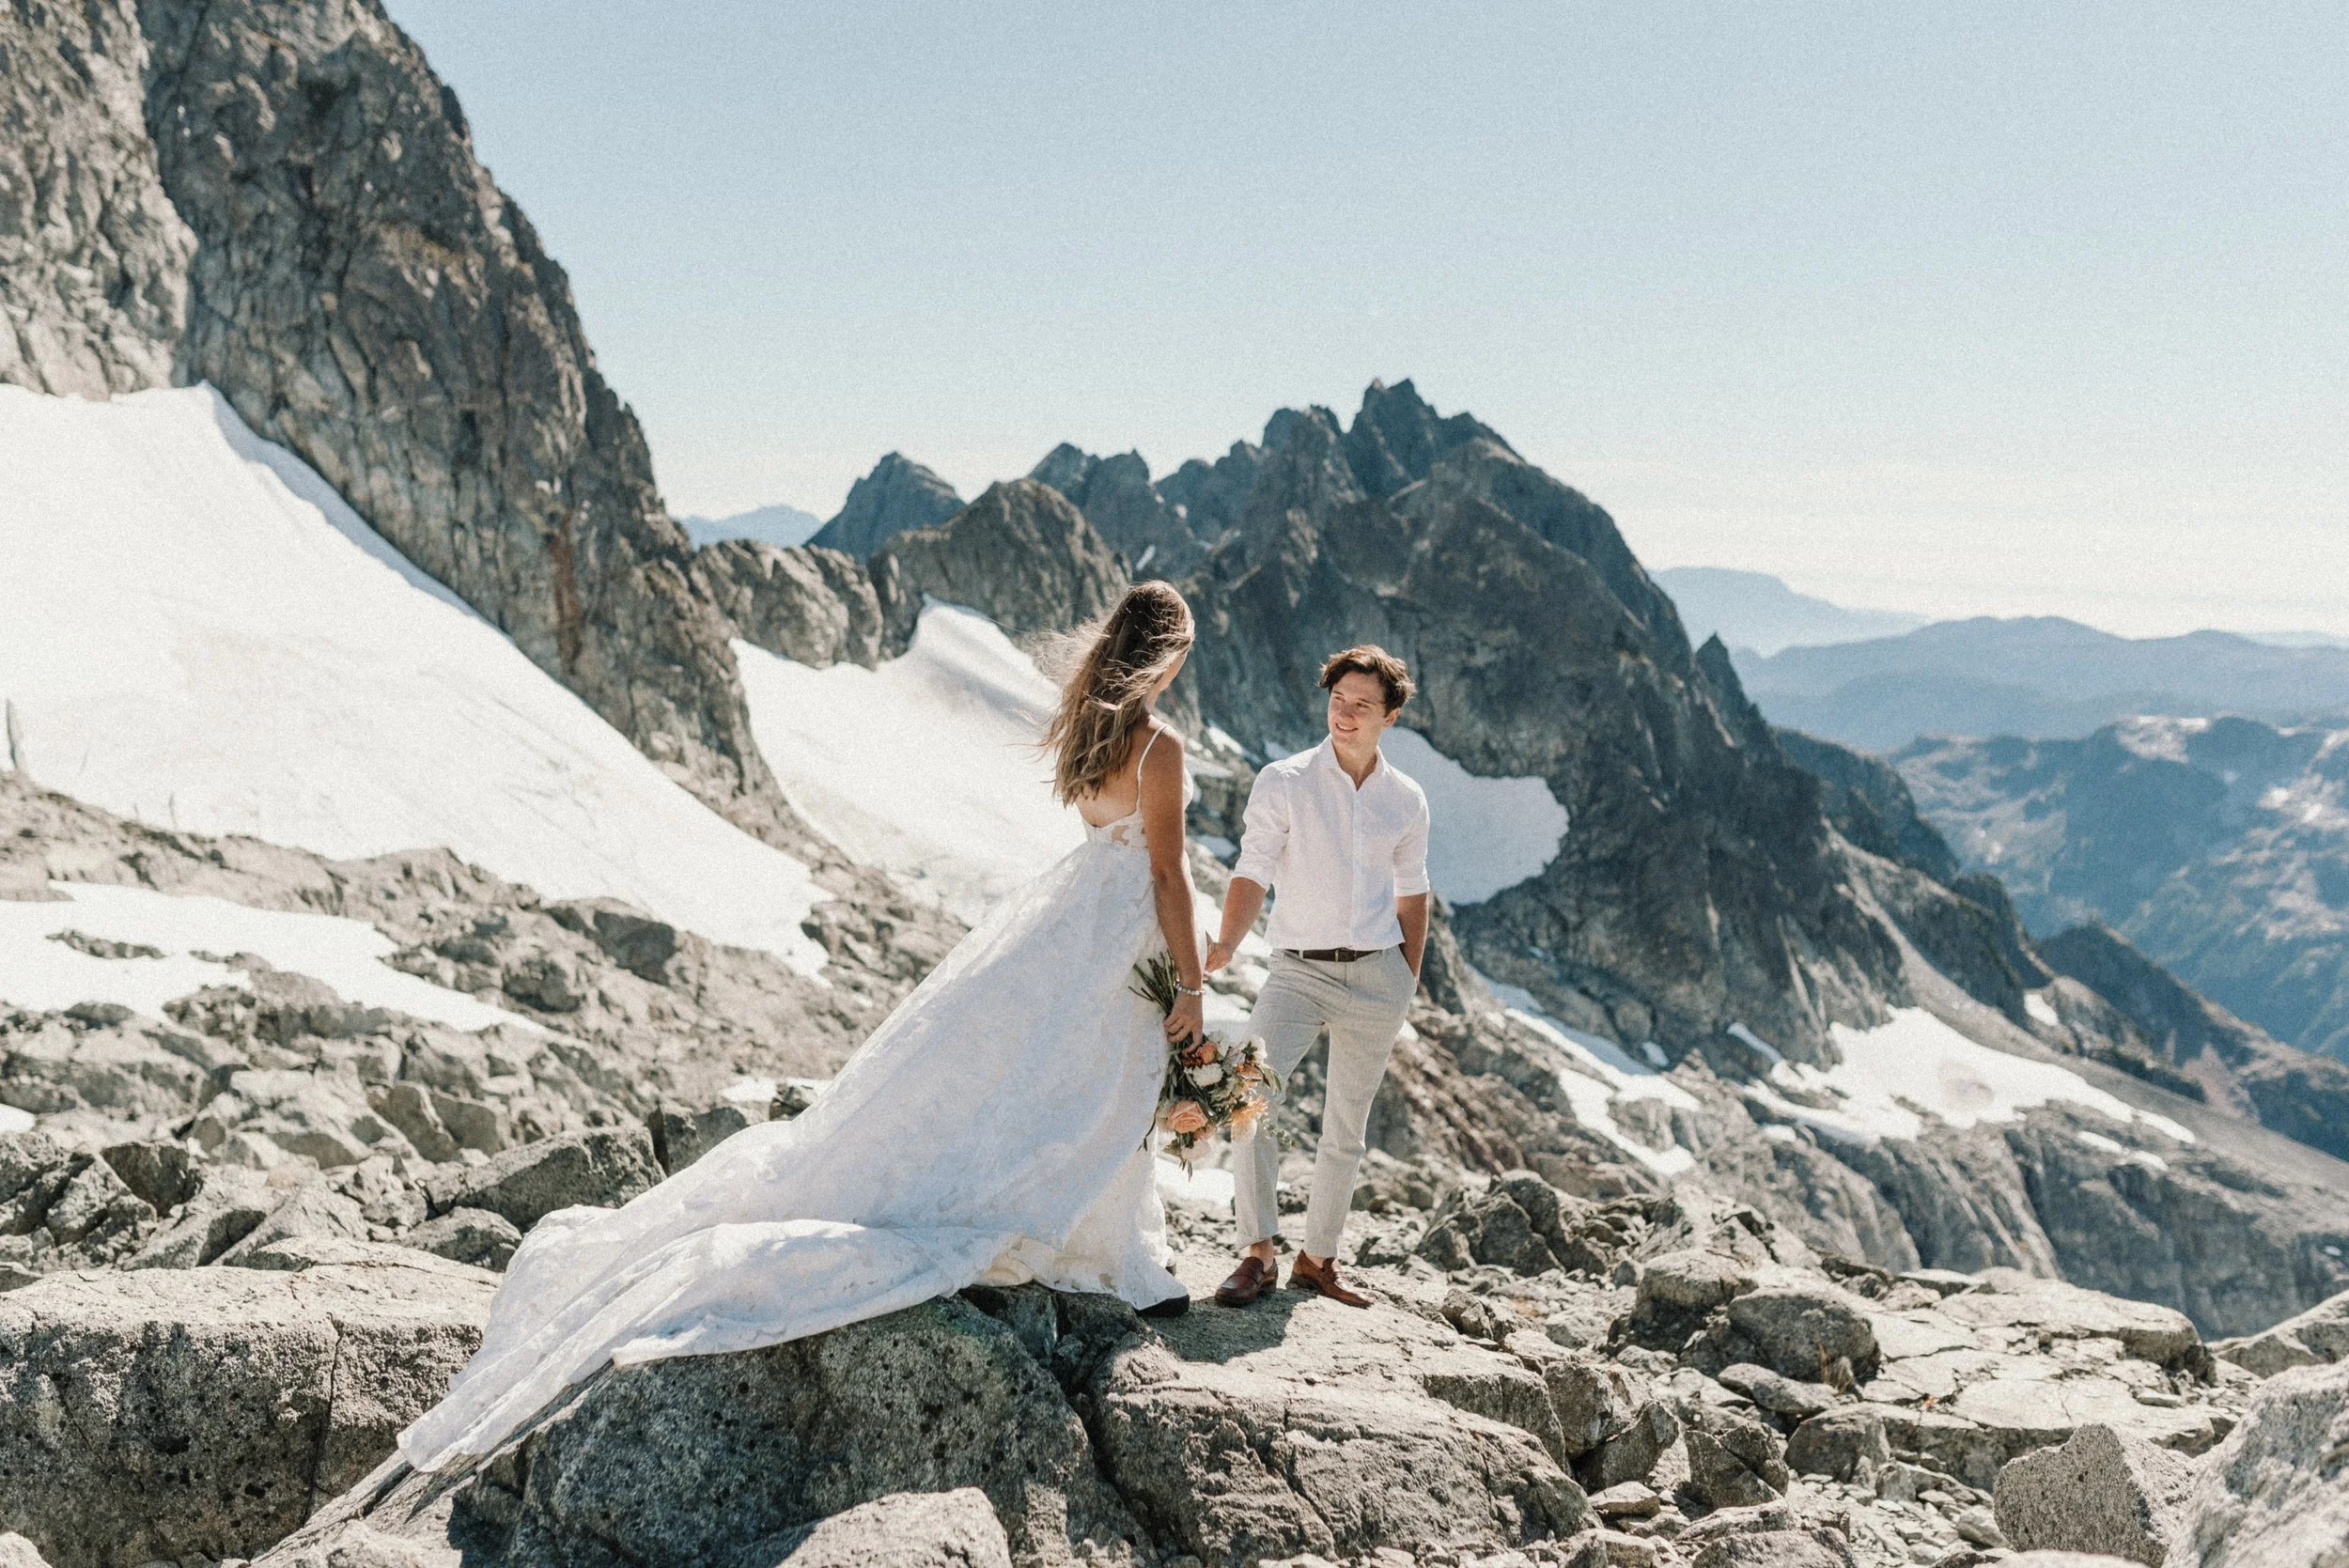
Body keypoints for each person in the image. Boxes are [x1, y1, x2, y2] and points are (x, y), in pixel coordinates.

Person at [397, 582, 1203, 1472]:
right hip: (1121, 927)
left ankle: (1113, 1246)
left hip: (1073, 925)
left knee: (1079, 1080)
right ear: (1165, 653)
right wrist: (1194, 984)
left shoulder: (1088, 731)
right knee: (1107, 1079)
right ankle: (1115, 1254)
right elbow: (1168, 874)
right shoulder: (1155, 745)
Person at [1205, 645, 1429, 1310]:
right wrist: (1226, 941)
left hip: (1377, 977)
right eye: (1338, 700)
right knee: (1250, 1098)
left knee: (1346, 1129)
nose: (1345, 714)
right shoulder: (1285, 779)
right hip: (1297, 971)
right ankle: (1258, 1253)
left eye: (1362, 705)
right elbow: (1252, 869)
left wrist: (1404, 978)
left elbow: (1414, 894)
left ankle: (1317, 1259)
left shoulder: (1407, 800)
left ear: (1390, 716)